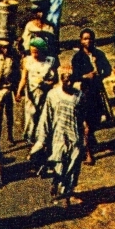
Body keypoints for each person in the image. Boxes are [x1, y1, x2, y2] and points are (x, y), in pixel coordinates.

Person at [31, 67, 85, 205]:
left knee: (73, 167)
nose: (68, 83)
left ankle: (68, 193)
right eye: (65, 80)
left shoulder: (79, 96)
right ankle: (60, 188)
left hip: (75, 137)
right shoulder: (53, 95)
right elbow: (46, 118)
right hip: (58, 137)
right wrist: (42, 140)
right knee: (60, 165)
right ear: (61, 80)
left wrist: (85, 138)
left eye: (71, 80)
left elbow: (83, 118)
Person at [69, 28, 111, 165]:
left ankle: (88, 141)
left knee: (96, 120)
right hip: (85, 92)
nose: (88, 41)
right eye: (85, 39)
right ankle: (88, 154)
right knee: (85, 125)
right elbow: (75, 76)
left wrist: (100, 74)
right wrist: (85, 76)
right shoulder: (78, 58)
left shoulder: (99, 54)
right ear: (81, 41)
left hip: (97, 92)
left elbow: (108, 69)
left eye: (90, 38)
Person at [17, 37, 56, 155]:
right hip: (31, 94)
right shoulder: (27, 61)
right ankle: (32, 140)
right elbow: (24, 78)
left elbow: (54, 80)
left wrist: (45, 84)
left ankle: (43, 142)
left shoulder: (49, 61)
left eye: (36, 51)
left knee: (43, 117)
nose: (34, 54)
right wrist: (19, 91)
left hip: (44, 93)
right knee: (31, 116)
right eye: (32, 51)